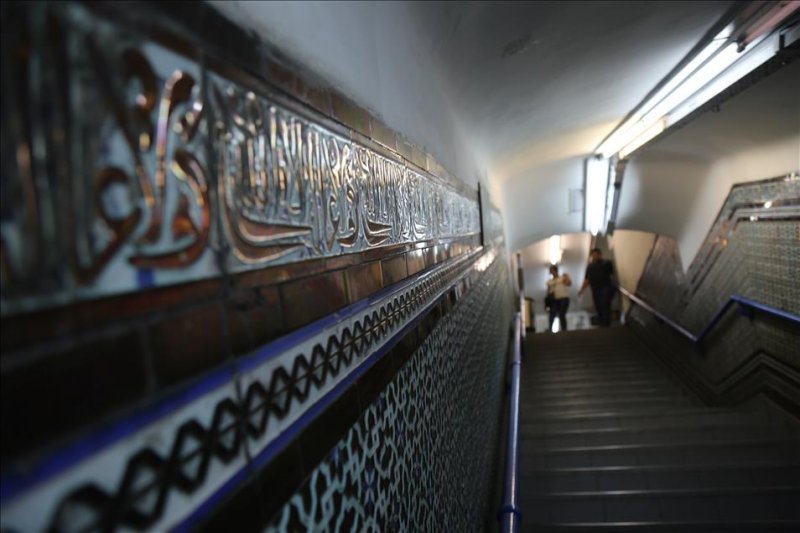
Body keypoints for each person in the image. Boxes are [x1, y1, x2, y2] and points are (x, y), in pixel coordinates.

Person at [578, 247, 616, 327]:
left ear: (600, 255)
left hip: (605, 287)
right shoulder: (590, 266)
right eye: (593, 255)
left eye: (596, 255)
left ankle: (606, 324)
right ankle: (602, 322)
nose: (594, 257)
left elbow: (612, 276)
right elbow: (587, 279)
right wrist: (581, 290)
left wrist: (612, 289)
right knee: (598, 305)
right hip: (595, 289)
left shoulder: (606, 263)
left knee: (604, 304)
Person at [546, 265, 571, 332]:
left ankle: (564, 329)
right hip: (554, 300)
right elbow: (548, 291)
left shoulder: (562, 278)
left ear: (555, 270)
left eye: (552, 270)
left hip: (563, 298)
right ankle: (550, 329)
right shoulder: (549, 281)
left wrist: (567, 277)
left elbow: (569, 284)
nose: (551, 272)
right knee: (552, 314)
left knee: (561, 314)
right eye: (550, 271)